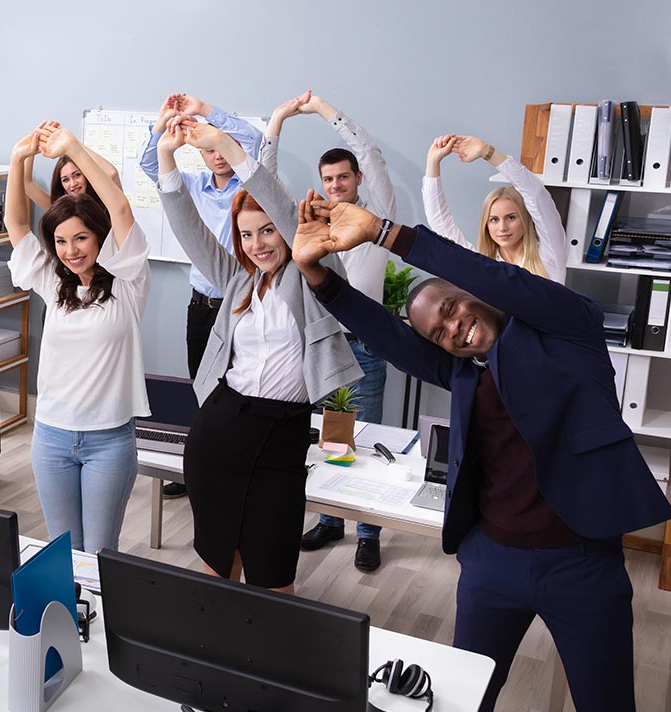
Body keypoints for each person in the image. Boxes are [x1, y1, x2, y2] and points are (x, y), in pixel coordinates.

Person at [289, 196, 671, 712]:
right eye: (438, 334)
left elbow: (503, 281)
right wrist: (319, 277)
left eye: (452, 308)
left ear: (473, 292)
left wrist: (386, 233)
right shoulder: (463, 371)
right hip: (492, 564)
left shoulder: (568, 328)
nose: (454, 328)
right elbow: (388, 336)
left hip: (581, 566)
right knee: (465, 701)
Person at [157, 116, 361, 593]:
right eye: (247, 235)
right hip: (221, 431)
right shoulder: (237, 281)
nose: (258, 244)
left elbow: (284, 210)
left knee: (273, 580)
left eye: (268, 231)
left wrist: (225, 144)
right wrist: (168, 157)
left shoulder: (313, 271)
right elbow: (189, 228)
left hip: (282, 437)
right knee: (217, 570)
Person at [262, 90, 397, 572]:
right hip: (322, 342)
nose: (336, 185)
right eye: (328, 179)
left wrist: (322, 110)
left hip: (366, 346)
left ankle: (368, 531)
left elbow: (372, 154)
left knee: (365, 435)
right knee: (328, 438)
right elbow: (265, 185)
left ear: (357, 180)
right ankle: (330, 520)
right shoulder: (311, 225)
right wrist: (278, 120)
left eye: (344, 177)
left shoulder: (377, 215)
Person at [5, 122, 150, 554]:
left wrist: (72, 148)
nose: (71, 250)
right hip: (50, 436)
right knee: (62, 550)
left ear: (100, 239)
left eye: (81, 238)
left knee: (99, 552)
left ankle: (101, 621)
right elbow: (15, 221)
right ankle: (70, 622)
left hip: (108, 439)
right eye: (62, 241)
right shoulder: (54, 281)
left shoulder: (129, 281)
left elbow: (120, 208)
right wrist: (17, 160)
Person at [138, 93, 263, 499]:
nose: (218, 155)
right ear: (202, 155)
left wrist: (206, 112)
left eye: (222, 147)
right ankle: (200, 468)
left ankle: (237, 470)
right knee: (201, 386)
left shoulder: (250, 185)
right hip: (201, 304)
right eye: (208, 150)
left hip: (241, 305)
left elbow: (254, 139)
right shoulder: (189, 185)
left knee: (239, 389)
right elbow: (150, 164)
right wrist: (161, 127)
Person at [424, 133, 566, 281]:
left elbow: (536, 194)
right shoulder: (483, 265)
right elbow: (440, 223)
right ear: (486, 224)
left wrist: (487, 152)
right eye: (494, 220)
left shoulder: (549, 255)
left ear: (525, 218)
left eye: (511, 217)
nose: (502, 227)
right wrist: (432, 162)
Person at [18, 140, 120, 212]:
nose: (73, 184)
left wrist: (72, 145)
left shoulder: (107, 204)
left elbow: (112, 173)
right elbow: (27, 183)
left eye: (77, 175)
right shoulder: (60, 209)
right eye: (65, 180)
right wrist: (35, 143)